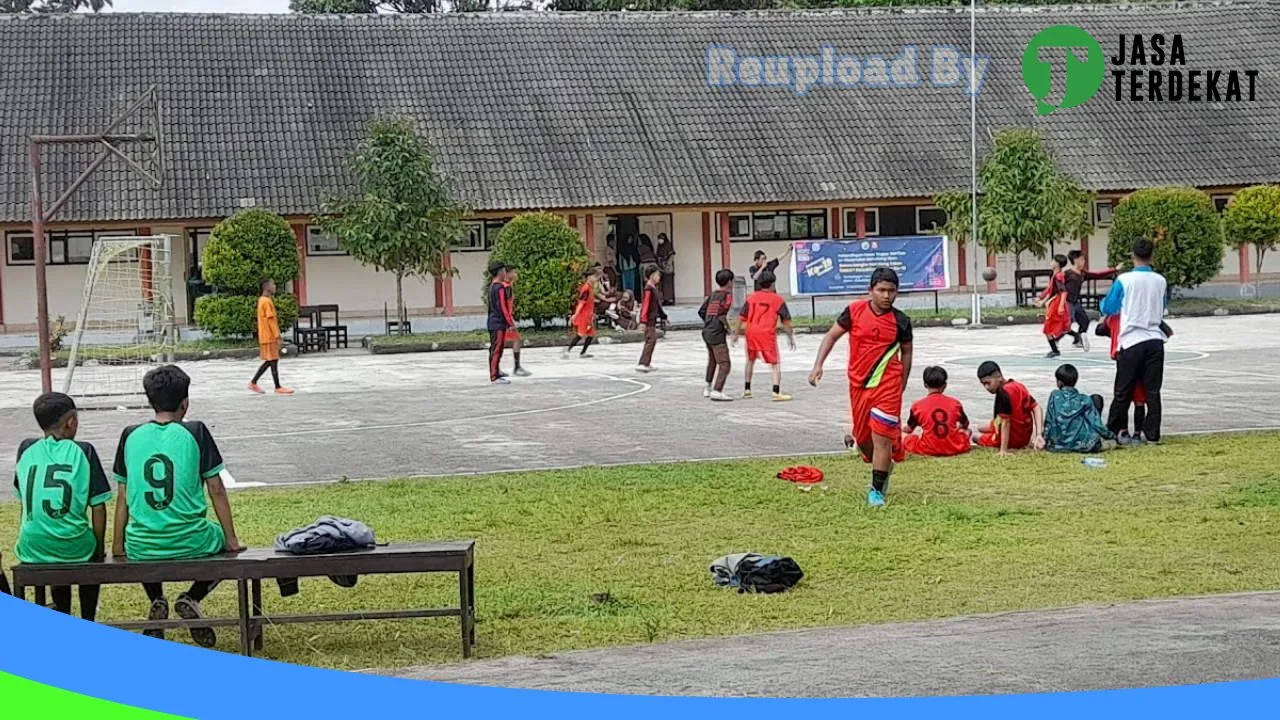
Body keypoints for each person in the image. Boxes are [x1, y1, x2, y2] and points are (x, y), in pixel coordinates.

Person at [112, 365, 245, 646]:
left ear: (149, 401)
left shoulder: (129, 434)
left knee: (148, 536)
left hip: (140, 544)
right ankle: (191, 598)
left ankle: (157, 599)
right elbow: (216, 488)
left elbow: (122, 495)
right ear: (185, 403)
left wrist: (117, 545)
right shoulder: (195, 431)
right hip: (193, 540)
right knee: (222, 545)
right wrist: (231, 539)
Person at [809, 267, 913, 508]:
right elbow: (831, 336)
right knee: (863, 440)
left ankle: (877, 490)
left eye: (892, 291)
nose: (887, 296)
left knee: (882, 438)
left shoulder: (901, 321)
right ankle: (884, 467)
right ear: (871, 290)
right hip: (859, 384)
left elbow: (907, 353)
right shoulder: (854, 311)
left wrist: (902, 383)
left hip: (888, 385)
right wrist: (818, 365)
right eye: (881, 290)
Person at [13, 392, 111, 620]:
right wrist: (98, 549)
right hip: (75, 547)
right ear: (71, 422)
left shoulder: (25, 449)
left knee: (55, 545)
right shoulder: (84, 451)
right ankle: (88, 618)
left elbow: (25, 501)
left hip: (31, 547)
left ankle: (62, 611)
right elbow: (98, 507)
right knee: (79, 548)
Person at [1101, 238, 1170, 445]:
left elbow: (1109, 307)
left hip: (1132, 340)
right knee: (1153, 390)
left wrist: (1103, 303)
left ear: (1133, 256)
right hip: (1155, 339)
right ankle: (1152, 434)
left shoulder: (1124, 280)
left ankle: (1112, 431)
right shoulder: (1161, 280)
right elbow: (1164, 305)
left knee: (1122, 390)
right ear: (1152, 256)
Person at [1097, 314, 1173, 441]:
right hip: (1152, 346)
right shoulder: (1149, 314)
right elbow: (1168, 332)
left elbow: (1099, 330)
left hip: (1128, 351)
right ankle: (1146, 433)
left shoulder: (1115, 317)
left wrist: (1105, 320)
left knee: (1122, 394)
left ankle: (1118, 430)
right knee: (1147, 395)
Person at [733, 269, 796, 402]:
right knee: (774, 363)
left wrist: (736, 334)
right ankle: (776, 391)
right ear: (772, 284)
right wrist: (790, 337)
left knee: (750, 360)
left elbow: (741, 317)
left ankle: (747, 389)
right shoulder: (778, 300)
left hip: (751, 333)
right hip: (767, 334)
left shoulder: (751, 298)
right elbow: (786, 321)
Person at [974, 361, 1045, 456]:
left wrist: (1003, 450)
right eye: (984, 384)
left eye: (988, 383)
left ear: (998, 377)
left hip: (1013, 439)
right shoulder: (1019, 386)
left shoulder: (1002, 393)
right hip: (1024, 435)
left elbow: (1005, 423)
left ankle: (998, 441)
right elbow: (1037, 407)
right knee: (980, 427)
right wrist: (1039, 434)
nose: (987, 387)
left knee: (975, 436)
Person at [902, 366, 971, 458]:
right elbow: (966, 424)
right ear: (945, 385)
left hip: (928, 448)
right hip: (954, 448)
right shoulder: (955, 403)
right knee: (968, 431)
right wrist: (957, 427)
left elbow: (909, 430)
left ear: (925, 385)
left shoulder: (917, 406)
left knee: (903, 436)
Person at [1043, 364, 1114, 453]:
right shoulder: (1084, 400)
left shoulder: (1054, 395)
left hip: (1056, 445)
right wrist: (1112, 436)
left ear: (1059, 382)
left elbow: (1049, 420)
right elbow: (1095, 423)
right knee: (1096, 398)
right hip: (1083, 445)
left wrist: (1044, 439)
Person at [248, 278, 293, 395]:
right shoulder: (266, 302)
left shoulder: (263, 300)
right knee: (272, 360)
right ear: (266, 287)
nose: (274, 286)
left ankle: (263, 384)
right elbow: (271, 321)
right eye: (272, 284)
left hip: (266, 336)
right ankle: (271, 386)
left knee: (272, 361)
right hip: (269, 336)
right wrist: (278, 336)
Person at [1064, 250, 1117, 347]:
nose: (1084, 261)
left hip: (1075, 302)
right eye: (1082, 259)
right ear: (1075, 260)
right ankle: (1056, 339)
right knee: (1065, 324)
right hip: (1066, 302)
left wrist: (1114, 269)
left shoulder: (1083, 273)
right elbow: (1056, 286)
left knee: (1084, 321)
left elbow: (1097, 274)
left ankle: (1078, 340)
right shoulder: (1067, 274)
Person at [699, 269, 736, 401]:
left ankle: (707, 387)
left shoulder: (713, 294)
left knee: (713, 360)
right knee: (725, 363)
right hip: (717, 333)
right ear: (729, 282)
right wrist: (730, 331)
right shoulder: (727, 295)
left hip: (707, 330)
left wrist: (709, 321)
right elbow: (721, 315)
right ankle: (717, 390)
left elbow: (701, 311)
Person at [1034, 255, 1072, 358]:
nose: (1051, 262)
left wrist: (1060, 306)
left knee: (1049, 328)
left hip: (1057, 302)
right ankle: (1057, 347)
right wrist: (1041, 299)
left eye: (1053, 261)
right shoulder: (1055, 275)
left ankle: (1055, 350)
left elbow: (1063, 292)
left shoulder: (1058, 276)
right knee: (1057, 327)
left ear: (1057, 264)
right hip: (1056, 301)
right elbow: (1050, 290)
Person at [496, 268, 531, 378]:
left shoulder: (503, 286)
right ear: (508, 274)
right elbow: (504, 306)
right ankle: (515, 367)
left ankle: (499, 367)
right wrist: (509, 322)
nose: (516, 274)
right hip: (506, 319)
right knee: (510, 341)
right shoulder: (506, 288)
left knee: (508, 341)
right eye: (514, 272)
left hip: (503, 318)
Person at [486, 261, 516, 385]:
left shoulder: (491, 286)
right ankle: (494, 376)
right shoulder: (500, 288)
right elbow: (503, 307)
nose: (505, 273)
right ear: (500, 272)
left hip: (492, 321)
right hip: (498, 322)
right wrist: (510, 323)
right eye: (504, 271)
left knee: (494, 349)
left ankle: (496, 371)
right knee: (497, 349)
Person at [565, 266, 603, 360]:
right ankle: (567, 350)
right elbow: (581, 303)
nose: (596, 279)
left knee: (590, 334)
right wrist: (576, 315)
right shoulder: (586, 288)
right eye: (595, 276)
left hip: (588, 315)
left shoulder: (590, 288)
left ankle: (583, 352)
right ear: (589, 277)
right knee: (580, 334)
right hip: (584, 316)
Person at [635, 265, 667, 373]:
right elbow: (645, 305)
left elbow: (657, 305)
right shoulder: (648, 289)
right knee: (650, 340)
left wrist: (663, 316)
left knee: (652, 340)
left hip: (652, 319)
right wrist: (643, 321)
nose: (659, 277)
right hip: (648, 319)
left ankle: (646, 362)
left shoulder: (653, 288)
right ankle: (643, 363)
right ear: (652, 275)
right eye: (658, 275)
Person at [657, 233, 676, 305]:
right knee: (663, 284)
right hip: (661, 268)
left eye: (661, 239)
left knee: (668, 284)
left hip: (668, 268)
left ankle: (669, 299)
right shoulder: (659, 246)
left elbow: (671, 256)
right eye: (659, 239)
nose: (660, 240)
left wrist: (667, 265)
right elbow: (658, 255)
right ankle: (664, 299)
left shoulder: (668, 246)